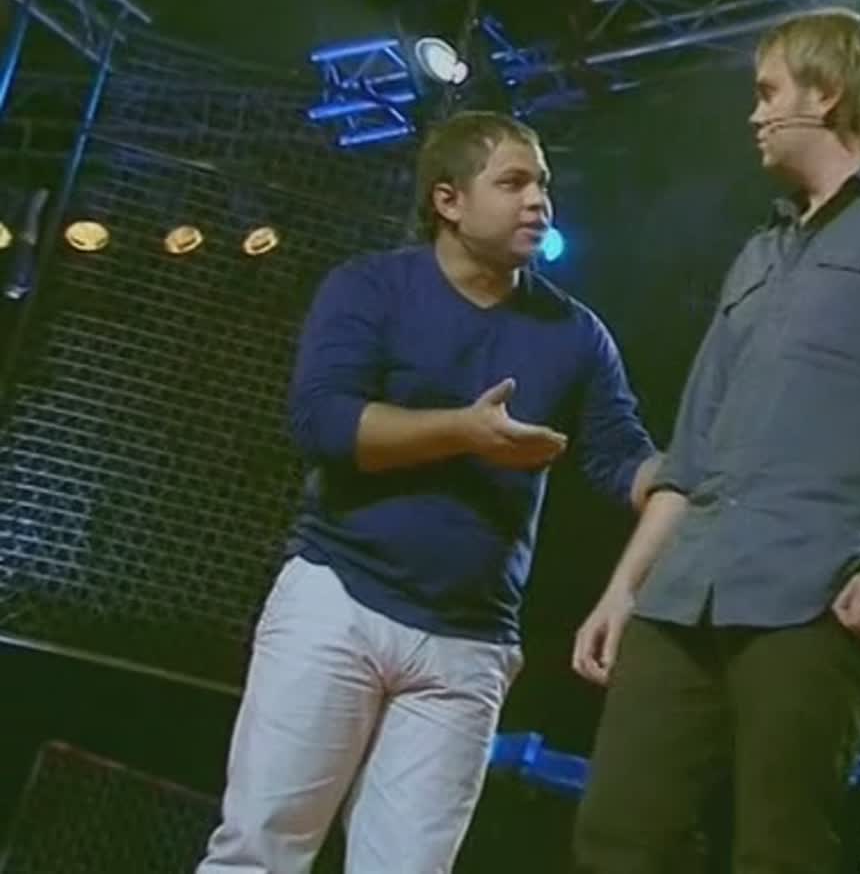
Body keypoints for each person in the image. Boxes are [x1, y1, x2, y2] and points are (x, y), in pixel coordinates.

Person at [570, 7, 860, 873]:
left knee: (780, 849)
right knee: (619, 835)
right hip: (684, 592)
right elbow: (690, 453)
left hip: (816, 593)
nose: (756, 113)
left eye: (769, 90)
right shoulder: (758, 253)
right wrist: (624, 588)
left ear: (829, 91)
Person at [197, 111, 661, 874]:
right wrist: (464, 431)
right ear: (449, 200)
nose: (539, 200)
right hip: (338, 603)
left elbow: (622, 457)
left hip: (468, 645)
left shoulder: (576, 333)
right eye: (513, 182)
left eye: (542, 182)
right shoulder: (371, 287)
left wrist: (679, 476)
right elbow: (323, 421)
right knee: (259, 851)